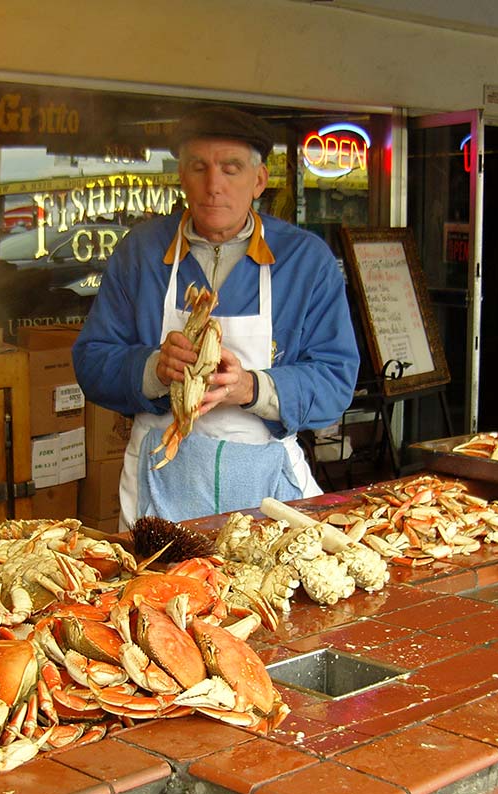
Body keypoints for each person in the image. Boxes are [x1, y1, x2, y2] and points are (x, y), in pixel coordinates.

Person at [71, 105, 359, 529]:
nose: (213, 185)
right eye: (198, 167)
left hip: (266, 491)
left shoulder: (305, 259)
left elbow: (336, 379)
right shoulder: (142, 251)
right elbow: (92, 360)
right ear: (181, 176)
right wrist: (154, 370)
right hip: (160, 484)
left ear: (259, 180)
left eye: (231, 168)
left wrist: (251, 386)